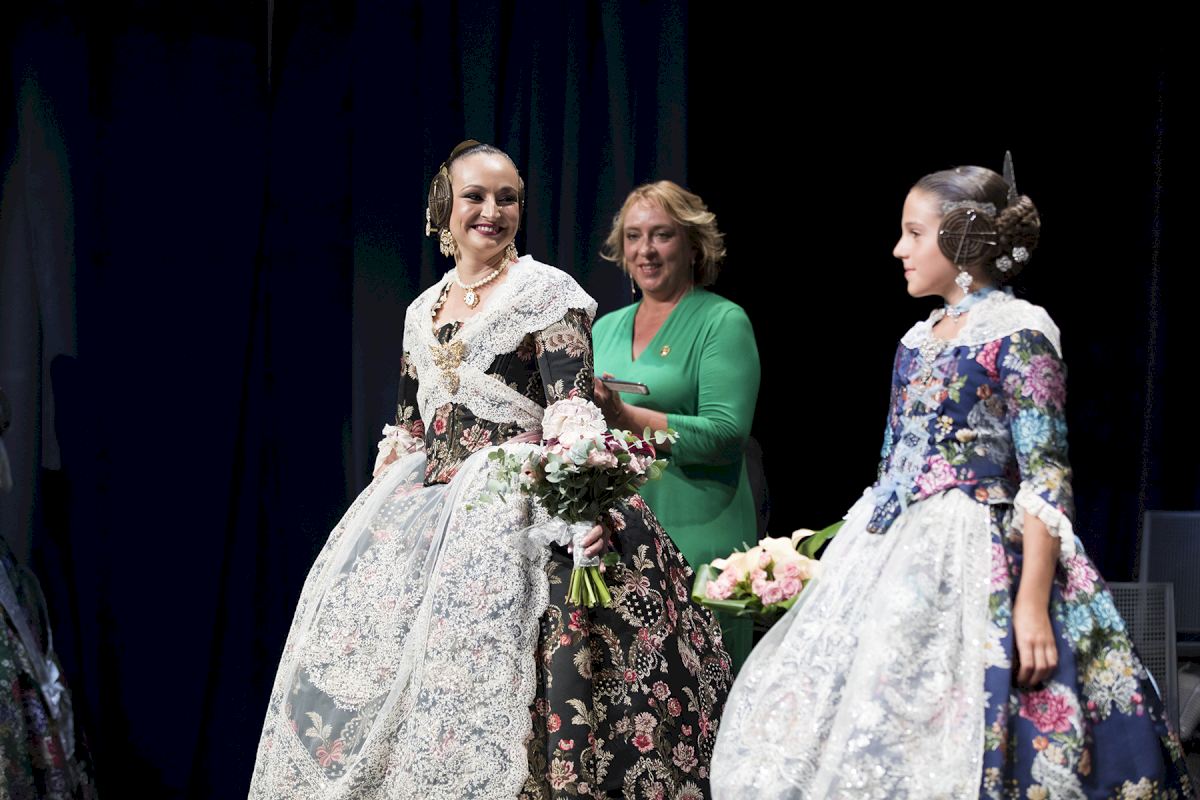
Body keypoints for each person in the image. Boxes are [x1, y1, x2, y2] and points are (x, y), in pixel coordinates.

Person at [249, 142, 732, 799]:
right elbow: (410, 427)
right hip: (430, 513)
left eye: (508, 199)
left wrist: (583, 506)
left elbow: (571, 409)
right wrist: (380, 529)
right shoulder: (422, 310)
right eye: (475, 196)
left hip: (522, 506)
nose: (493, 211)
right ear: (443, 208)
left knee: (537, 695)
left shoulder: (546, 292)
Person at [710, 163, 1195, 798]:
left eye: (914, 233)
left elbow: (1047, 477)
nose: (899, 249)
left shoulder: (1021, 332)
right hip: (896, 550)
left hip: (983, 547)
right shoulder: (917, 340)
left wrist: (1030, 606)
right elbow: (892, 468)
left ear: (962, 240)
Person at [592, 181, 760, 670]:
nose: (645, 250)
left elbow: (725, 436)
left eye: (661, 235)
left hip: (697, 539)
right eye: (633, 236)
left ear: (693, 246)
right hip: (618, 540)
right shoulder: (604, 327)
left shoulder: (722, 321)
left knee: (700, 690)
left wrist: (626, 417)